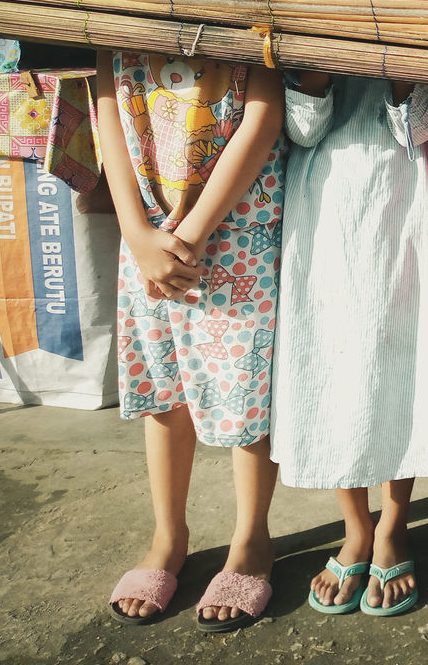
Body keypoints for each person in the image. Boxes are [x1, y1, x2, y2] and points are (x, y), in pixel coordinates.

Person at [269, 73, 428, 617]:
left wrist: (397, 64)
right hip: (321, 201)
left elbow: (420, 129)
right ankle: (356, 527)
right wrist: (321, 62)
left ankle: (393, 526)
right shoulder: (309, 5)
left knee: (400, 360)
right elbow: (303, 129)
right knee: (332, 364)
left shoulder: (417, 10)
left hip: (401, 197)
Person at [98, 51, 283, 632]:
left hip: (238, 224)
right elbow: (108, 103)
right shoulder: (113, 14)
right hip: (147, 228)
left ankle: (252, 540)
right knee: (163, 381)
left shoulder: (243, 3)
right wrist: (133, 228)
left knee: (246, 388)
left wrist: (196, 232)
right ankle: (168, 535)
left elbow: (264, 111)